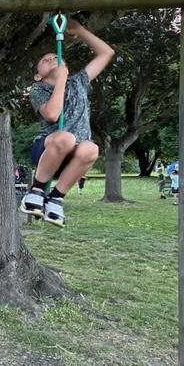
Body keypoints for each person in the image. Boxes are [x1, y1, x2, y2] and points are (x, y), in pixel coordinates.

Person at [20, 18, 115, 227]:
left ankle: (55, 198)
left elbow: (106, 53)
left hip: (73, 156)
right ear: (37, 76)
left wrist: (80, 30)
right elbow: (52, 115)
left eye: (56, 57)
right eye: (45, 60)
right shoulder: (39, 89)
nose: (52, 58)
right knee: (66, 138)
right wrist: (61, 79)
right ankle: (36, 190)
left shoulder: (79, 81)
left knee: (91, 148)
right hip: (48, 150)